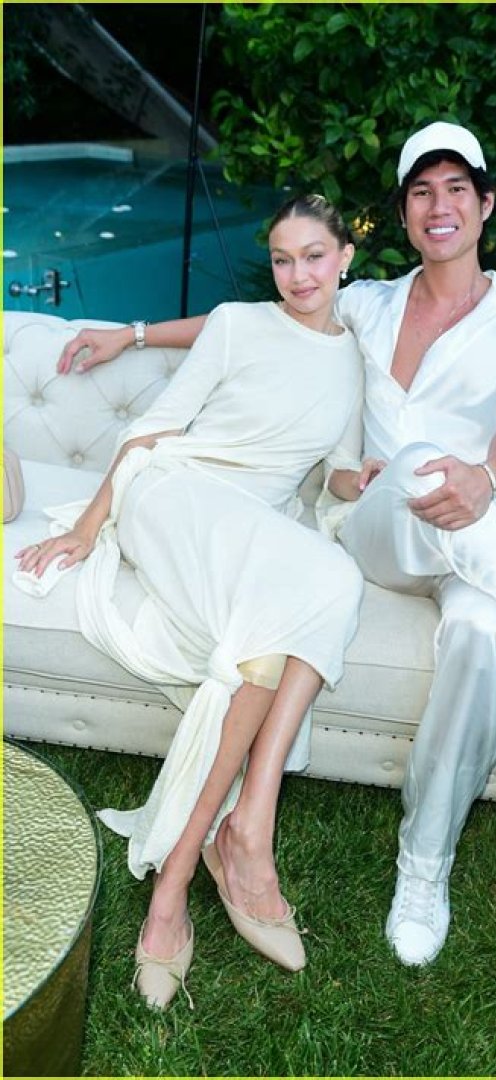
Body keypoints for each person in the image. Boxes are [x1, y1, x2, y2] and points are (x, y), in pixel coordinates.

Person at [55, 123, 496, 970]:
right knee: (411, 466)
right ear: (403, 216)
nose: (440, 206)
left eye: (456, 189)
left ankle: (425, 866)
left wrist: (487, 477)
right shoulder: (367, 304)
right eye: (422, 192)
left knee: (480, 631)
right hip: (380, 528)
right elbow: (254, 322)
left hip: (482, 536)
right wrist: (133, 334)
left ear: (486, 205)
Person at [15, 194, 366, 1008]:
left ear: (346, 257)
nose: (298, 275)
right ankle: (223, 858)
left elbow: (342, 473)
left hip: (253, 520)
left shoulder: (355, 362)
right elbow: (152, 432)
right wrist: (91, 524)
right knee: (310, 599)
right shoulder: (238, 324)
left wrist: (370, 482)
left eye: (314, 256)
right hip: (172, 493)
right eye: (282, 259)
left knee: (316, 599)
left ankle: (199, 865)